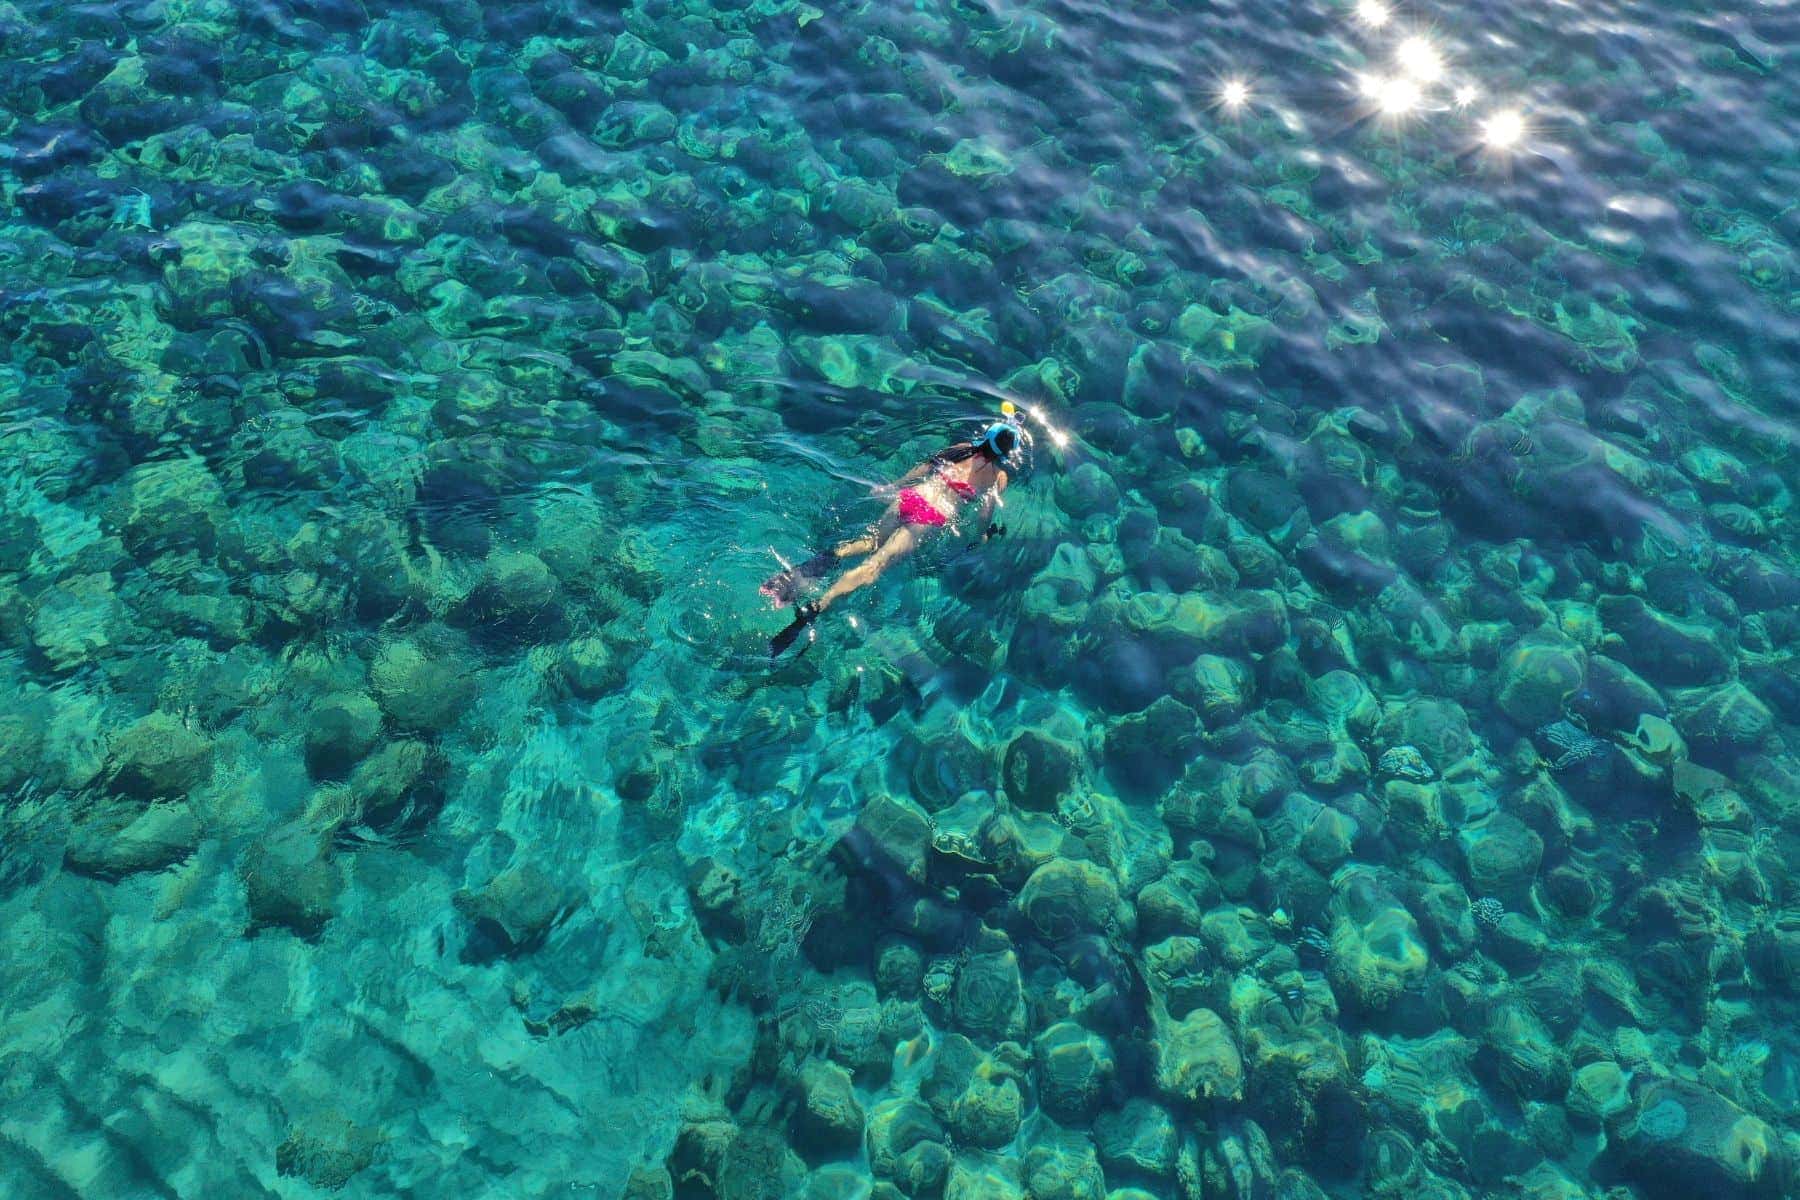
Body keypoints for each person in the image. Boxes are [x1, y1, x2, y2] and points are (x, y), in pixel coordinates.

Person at [764, 409, 1021, 655]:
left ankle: (810, 568)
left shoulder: (962, 448)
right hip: (928, 518)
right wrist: (981, 537)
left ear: (987, 437)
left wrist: (893, 486)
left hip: (909, 497)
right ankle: (817, 607)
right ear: (1007, 454)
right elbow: (984, 516)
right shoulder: (999, 477)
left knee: (869, 541)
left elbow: (924, 467)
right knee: (873, 568)